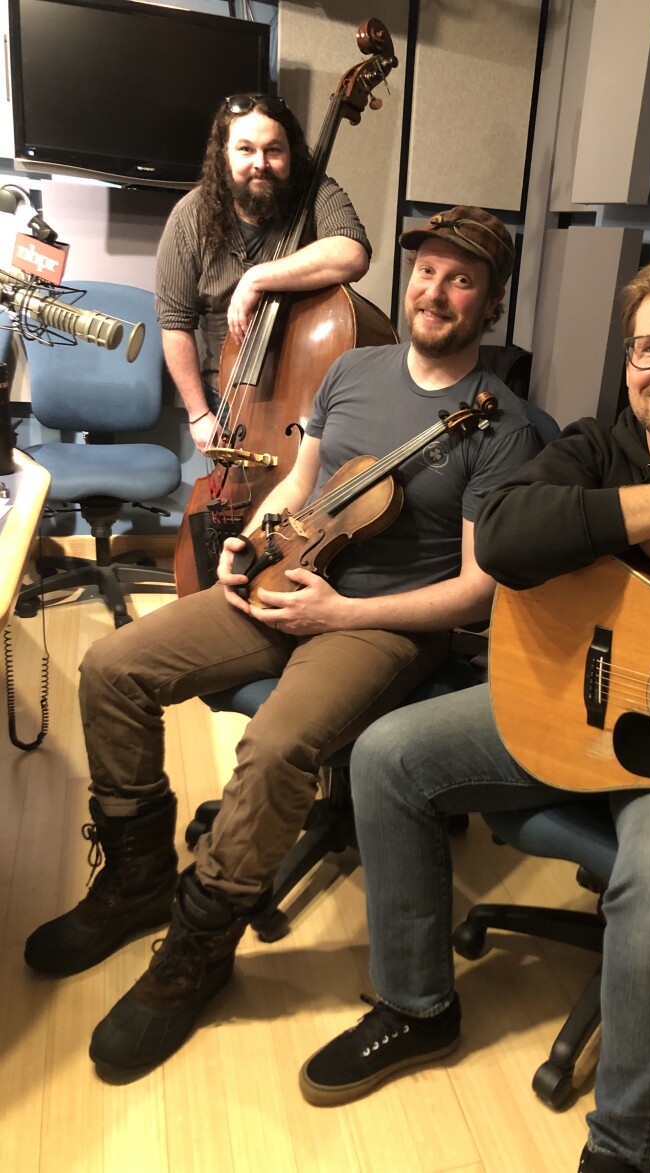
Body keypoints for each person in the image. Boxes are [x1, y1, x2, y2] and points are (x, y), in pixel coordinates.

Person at [298, 256, 650, 1173]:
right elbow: (508, 536)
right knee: (385, 757)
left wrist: (619, 526)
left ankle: (626, 1149)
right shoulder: (593, 443)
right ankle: (416, 1006)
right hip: (576, 704)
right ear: (628, 360)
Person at [23, 206, 543, 1080]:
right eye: (427, 270)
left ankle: (199, 943)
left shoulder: (503, 425)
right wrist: (248, 544)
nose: (436, 290)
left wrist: (340, 615)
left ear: (490, 302)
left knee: (273, 747)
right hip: (283, 577)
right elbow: (298, 484)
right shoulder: (352, 369)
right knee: (111, 665)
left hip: (379, 624)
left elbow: (475, 591)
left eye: (462, 279)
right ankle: (138, 875)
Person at [155, 92, 371, 454]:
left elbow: (353, 254)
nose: (261, 163)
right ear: (224, 155)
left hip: (305, 400)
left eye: (274, 150)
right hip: (226, 399)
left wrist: (258, 277)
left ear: (291, 155)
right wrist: (197, 414)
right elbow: (175, 323)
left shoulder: (316, 192)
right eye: (246, 150)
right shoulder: (189, 217)